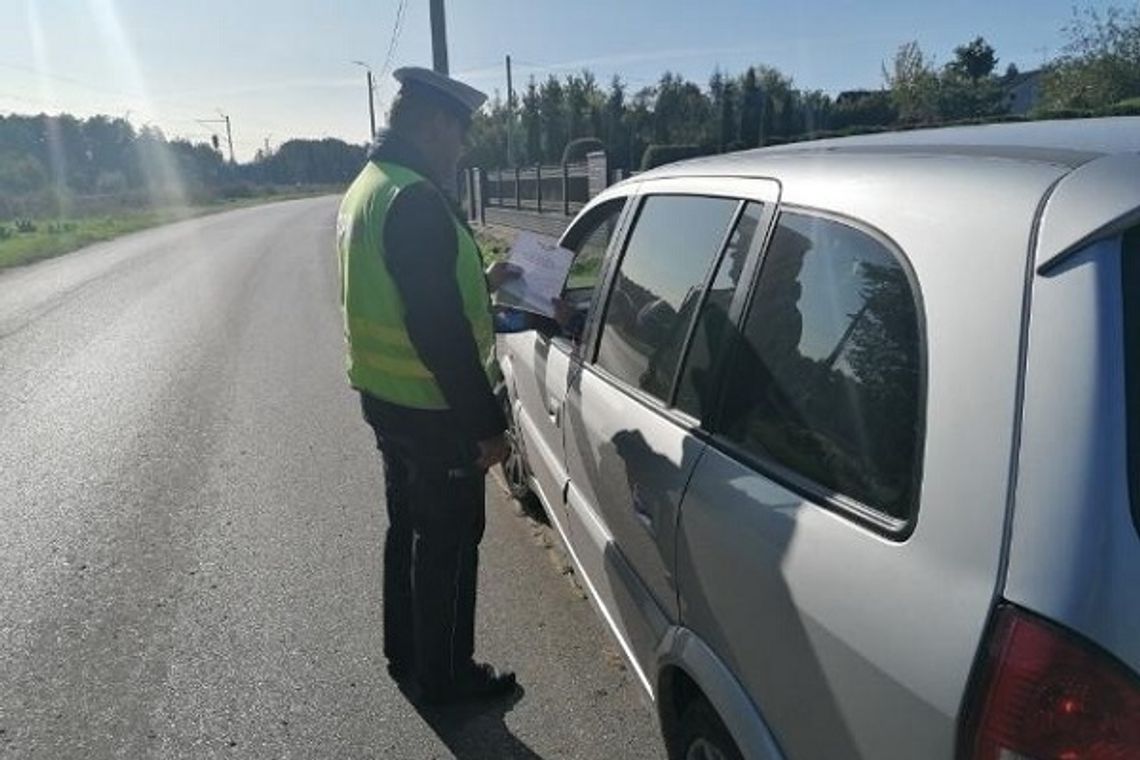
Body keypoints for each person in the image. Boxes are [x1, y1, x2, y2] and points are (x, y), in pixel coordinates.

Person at [335, 66, 520, 705]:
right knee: (448, 546)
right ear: (434, 124)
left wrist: (484, 282)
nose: (461, 149)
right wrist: (486, 426)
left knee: (407, 527)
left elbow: (413, 287)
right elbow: (438, 329)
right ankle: (448, 679)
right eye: (460, 134)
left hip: (387, 401)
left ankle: (405, 653)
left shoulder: (370, 186)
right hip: (435, 412)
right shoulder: (414, 197)